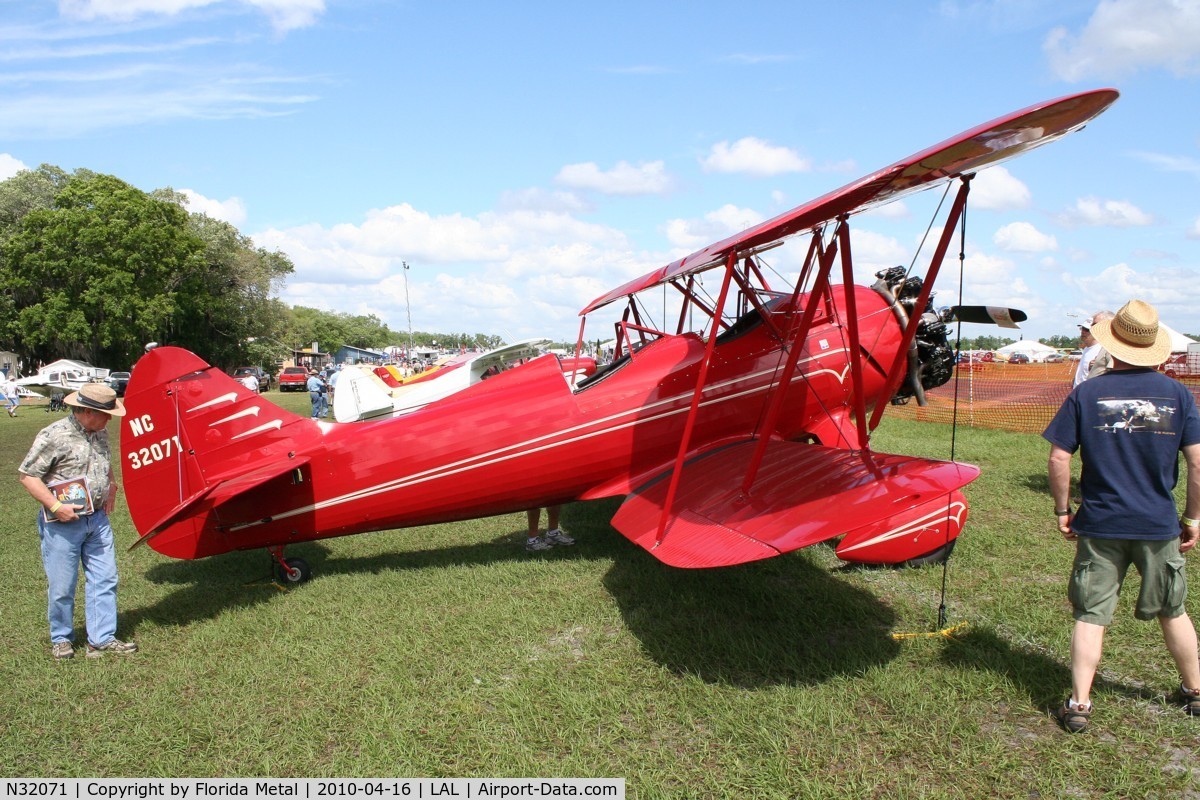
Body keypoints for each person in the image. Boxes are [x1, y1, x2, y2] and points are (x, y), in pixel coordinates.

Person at [1043, 299, 1200, 733]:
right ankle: (1194, 692)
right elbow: (1197, 462)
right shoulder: (1178, 394)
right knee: (1174, 609)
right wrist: (1193, 518)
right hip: (1157, 523)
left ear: (1111, 344)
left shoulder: (1087, 392)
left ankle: (1079, 704)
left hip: (1100, 522)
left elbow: (1059, 458)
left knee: (1090, 614)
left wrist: (1062, 509)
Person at [18, 383, 137, 660]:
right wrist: (56, 506)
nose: (109, 419)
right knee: (62, 585)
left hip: (97, 520)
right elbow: (28, 476)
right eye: (105, 414)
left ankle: (102, 638)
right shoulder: (54, 435)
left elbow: (103, 463)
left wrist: (111, 485)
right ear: (85, 411)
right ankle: (61, 638)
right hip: (62, 525)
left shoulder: (100, 432)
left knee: (105, 579)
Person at [1073, 310, 1114, 387]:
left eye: (1086, 329)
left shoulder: (1105, 350)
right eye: (1082, 328)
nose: (1083, 331)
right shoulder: (1086, 349)